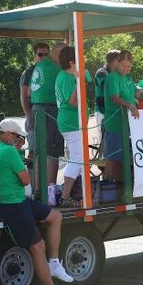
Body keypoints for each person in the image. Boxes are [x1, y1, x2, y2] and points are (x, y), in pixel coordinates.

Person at [0, 118, 77, 285]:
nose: (18, 140)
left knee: (56, 216)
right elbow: (25, 180)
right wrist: (17, 155)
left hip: (17, 201)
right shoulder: (9, 152)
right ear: (7, 134)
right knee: (38, 247)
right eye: (16, 137)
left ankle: (55, 263)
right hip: (15, 204)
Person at [103, 50, 143, 182]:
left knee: (123, 157)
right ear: (117, 63)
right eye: (123, 66)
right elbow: (114, 97)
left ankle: (120, 186)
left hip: (127, 124)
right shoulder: (113, 77)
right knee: (113, 158)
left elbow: (138, 94)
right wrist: (129, 105)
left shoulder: (127, 78)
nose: (125, 69)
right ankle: (108, 185)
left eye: (128, 67)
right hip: (115, 124)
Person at [29, 42, 65, 204]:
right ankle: (50, 192)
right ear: (58, 53)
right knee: (52, 152)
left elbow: (29, 92)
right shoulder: (57, 69)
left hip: (36, 109)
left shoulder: (40, 66)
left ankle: (38, 190)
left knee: (39, 152)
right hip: (50, 110)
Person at [55, 46, 88, 207]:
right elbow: (73, 101)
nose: (83, 61)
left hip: (72, 122)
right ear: (71, 62)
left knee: (77, 158)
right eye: (79, 59)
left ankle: (74, 192)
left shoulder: (65, 75)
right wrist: (78, 80)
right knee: (78, 159)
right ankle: (65, 195)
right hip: (71, 123)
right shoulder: (66, 77)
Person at [19, 42, 50, 160]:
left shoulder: (52, 69)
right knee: (34, 152)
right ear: (35, 56)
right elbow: (23, 96)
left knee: (49, 153)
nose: (44, 57)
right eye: (40, 54)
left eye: (47, 55)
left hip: (49, 115)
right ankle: (32, 177)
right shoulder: (29, 72)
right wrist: (29, 116)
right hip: (34, 115)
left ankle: (46, 178)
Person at [94, 49, 120, 127]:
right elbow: (109, 88)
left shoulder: (116, 73)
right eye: (119, 60)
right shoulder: (101, 73)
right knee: (105, 138)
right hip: (103, 112)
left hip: (113, 112)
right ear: (113, 61)